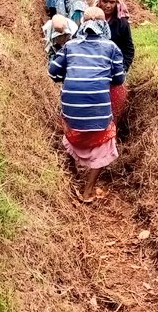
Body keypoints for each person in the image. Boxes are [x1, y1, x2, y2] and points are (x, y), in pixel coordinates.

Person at [49, 17, 126, 202]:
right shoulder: (111, 48)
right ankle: (88, 190)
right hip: (98, 108)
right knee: (105, 140)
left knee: (72, 132)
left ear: (83, 25)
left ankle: (72, 173)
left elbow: (53, 72)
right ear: (103, 28)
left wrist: (71, 76)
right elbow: (119, 79)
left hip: (71, 107)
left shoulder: (70, 45)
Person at [94, 0, 135, 74]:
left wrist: (123, 68)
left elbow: (128, 48)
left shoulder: (122, 23)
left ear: (117, 3)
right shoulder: (91, 20)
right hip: (93, 66)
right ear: (99, 2)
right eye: (105, 1)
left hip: (113, 67)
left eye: (112, 2)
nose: (108, 6)